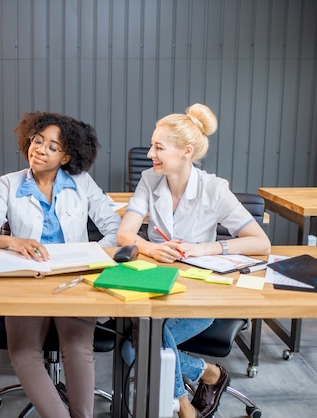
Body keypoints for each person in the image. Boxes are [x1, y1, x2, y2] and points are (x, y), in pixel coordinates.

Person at [116, 103, 271, 418]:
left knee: (136, 347)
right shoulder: (149, 180)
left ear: (186, 151)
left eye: (158, 147)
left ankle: (183, 406)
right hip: (154, 286)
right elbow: (125, 234)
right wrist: (148, 248)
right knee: (138, 343)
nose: (149, 154)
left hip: (200, 292)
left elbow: (261, 243)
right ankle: (204, 380)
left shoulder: (214, 189)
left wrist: (207, 248)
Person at [0, 111, 122, 418]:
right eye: (37, 141)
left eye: (52, 147)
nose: (39, 149)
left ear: (67, 156)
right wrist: (14, 242)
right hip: (26, 278)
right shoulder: (9, 183)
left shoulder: (82, 183)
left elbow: (115, 229)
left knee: (78, 346)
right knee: (23, 351)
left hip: (74, 278)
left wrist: (90, 254)